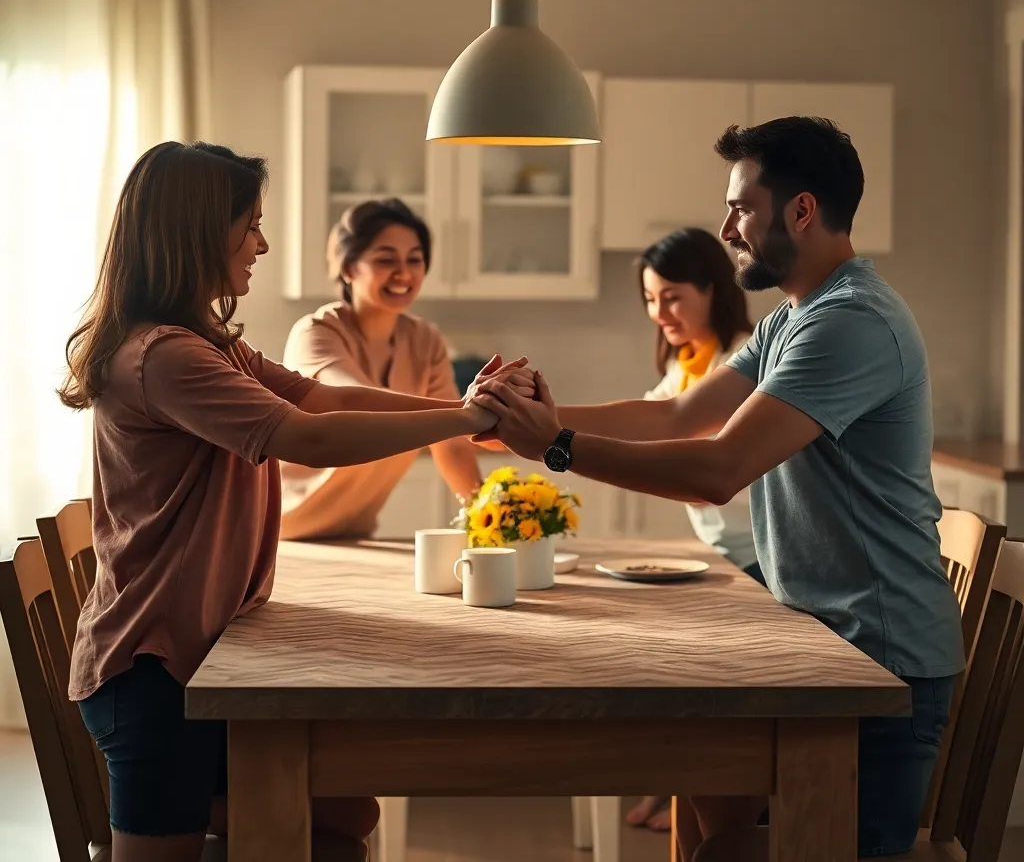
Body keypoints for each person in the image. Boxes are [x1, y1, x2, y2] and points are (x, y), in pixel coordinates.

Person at [471, 117, 965, 860]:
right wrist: (530, 409)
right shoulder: (794, 318)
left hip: (879, 674)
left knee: (718, 837)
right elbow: (678, 413)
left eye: (741, 207)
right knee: (703, 793)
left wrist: (555, 446)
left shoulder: (850, 322)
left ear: (800, 210)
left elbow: (717, 469)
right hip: (828, 650)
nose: (728, 226)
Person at [57, 141, 526, 862]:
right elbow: (309, 435)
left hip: (195, 654)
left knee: (344, 813)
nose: (262, 243)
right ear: (198, 231)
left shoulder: (206, 344)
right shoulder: (168, 357)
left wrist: (459, 408)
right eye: (250, 225)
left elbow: (320, 394)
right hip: (153, 673)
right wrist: (463, 419)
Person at [626, 227, 759, 834]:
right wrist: (544, 427)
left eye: (673, 297)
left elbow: (678, 437)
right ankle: (682, 786)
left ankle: (716, 798)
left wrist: (551, 437)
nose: (661, 313)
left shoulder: (746, 357)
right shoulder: (687, 362)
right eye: (652, 300)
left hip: (759, 560)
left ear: (713, 288)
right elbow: (647, 421)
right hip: (723, 556)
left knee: (703, 673)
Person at [280, 199, 482, 540]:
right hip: (284, 534)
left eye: (414, 260)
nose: (403, 273)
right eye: (386, 260)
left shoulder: (426, 341)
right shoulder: (316, 333)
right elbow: (352, 401)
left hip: (355, 534)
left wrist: (490, 518)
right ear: (348, 268)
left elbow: (453, 446)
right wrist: (466, 413)